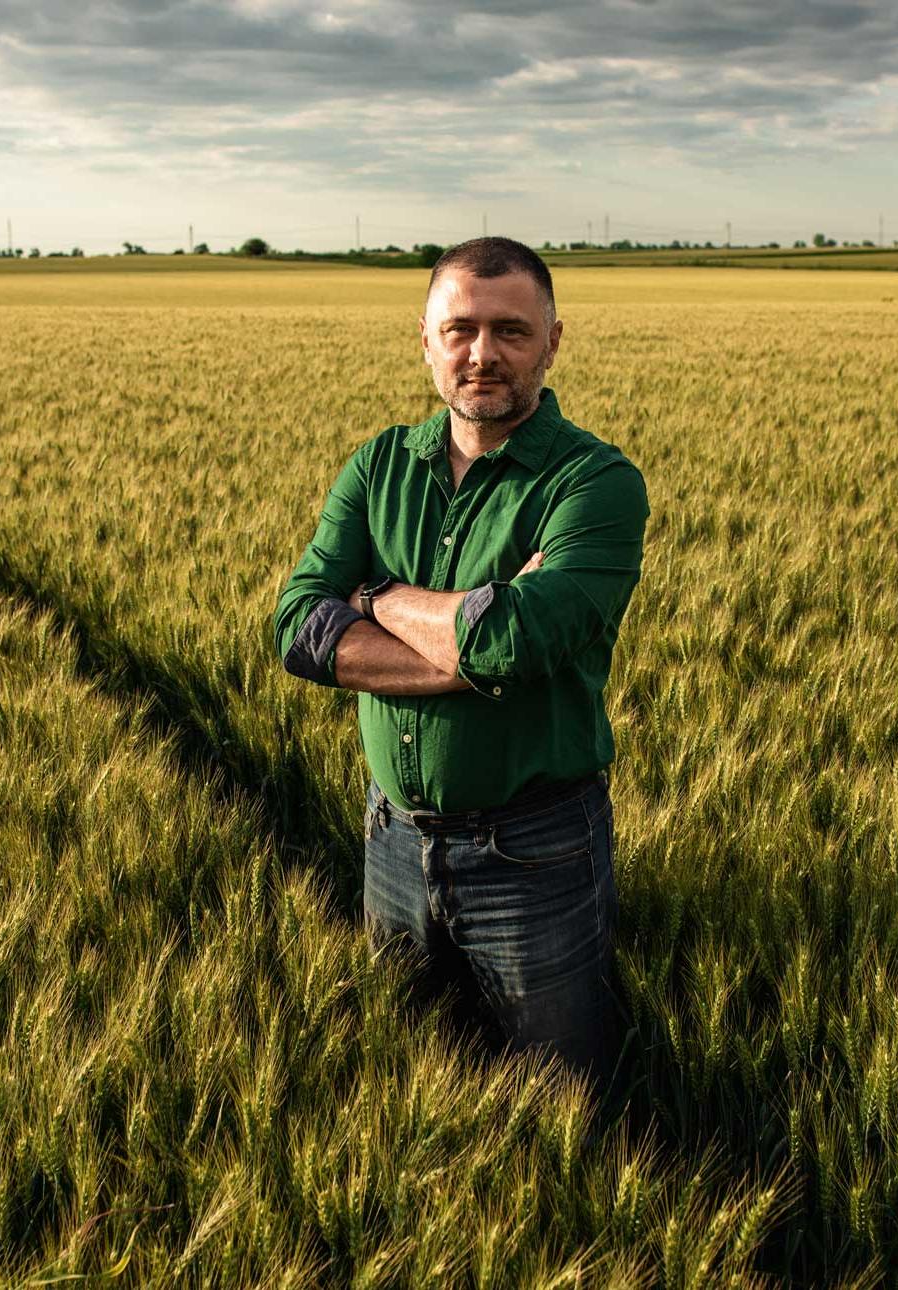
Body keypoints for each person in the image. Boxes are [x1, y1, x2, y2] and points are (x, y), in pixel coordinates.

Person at [273, 236, 649, 1087]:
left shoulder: (593, 483)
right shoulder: (378, 467)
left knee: (558, 1102)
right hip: (390, 843)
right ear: (426, 337)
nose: (482, 355)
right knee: (408, 1077)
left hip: (535, 858)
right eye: (460, 330)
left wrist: (372, 597)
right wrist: (468, 643)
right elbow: (298, 626)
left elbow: (509, 642)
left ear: (553, 340)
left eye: (511, 332)